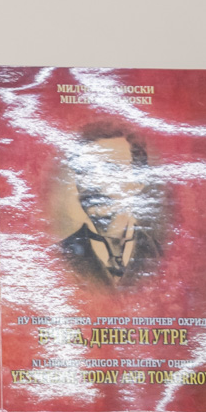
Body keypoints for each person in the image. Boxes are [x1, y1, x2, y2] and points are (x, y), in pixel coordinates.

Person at [59, 121, 163, 287]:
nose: (93, 183)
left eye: (110, 170)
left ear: (138, 181)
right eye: (84, 171)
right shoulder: (57, 258)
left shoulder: (164, 258)